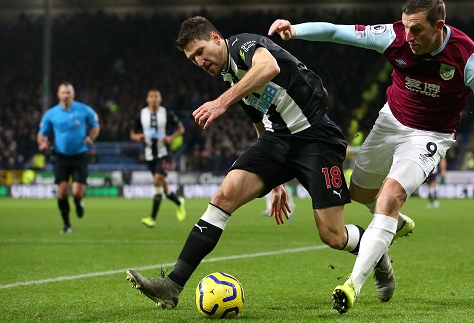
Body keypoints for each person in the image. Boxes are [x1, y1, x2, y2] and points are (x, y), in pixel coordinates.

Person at [269, 0, 474, 314]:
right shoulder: (394, 36)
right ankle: (391, 230)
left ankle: (352, 285)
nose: (409, 36)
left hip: (430, 135)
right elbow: (335, 31)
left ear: (439, 26)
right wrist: (295, 29)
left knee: (388, 198)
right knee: (358, 192)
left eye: (417, 30)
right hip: (390, 120)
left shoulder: (468, 59)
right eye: (405, 27)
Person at [125, 16, 405, 309]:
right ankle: (173, 284)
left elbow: (269, 66)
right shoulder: (230, 75)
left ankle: (377, 251)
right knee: (223, 196)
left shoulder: (243, 46)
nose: (198, 61)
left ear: (216, 38)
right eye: (191, 59)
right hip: (276, 141)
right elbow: (258, 119)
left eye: (199, 52)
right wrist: (276, 182)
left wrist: (220, 103)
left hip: (316, 141)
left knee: (333, 236)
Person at [37, 82, 100, 234]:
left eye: (69, 93)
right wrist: (43, 144)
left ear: (73, 94)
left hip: (80, 155)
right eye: (63, 93)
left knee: (77, 192)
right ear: (58, 95)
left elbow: (95, 126)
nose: (66, 95)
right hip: (60, 156)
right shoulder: (51, 114)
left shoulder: (84, 110)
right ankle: (67, 225)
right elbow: (41, 134)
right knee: (62, 192)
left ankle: (78, 202)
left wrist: (91, 138)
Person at [130, 89, 187, 228]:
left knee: (157, 182)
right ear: (147, 99)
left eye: (156, 96)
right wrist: (138, 137)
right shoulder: (141, 115)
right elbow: (132, 133)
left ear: (160, 99)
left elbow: (181, 129)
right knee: (164, 188)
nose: (154, 99)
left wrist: (170, 138)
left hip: (165, 154)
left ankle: (152, 218)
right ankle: (179, 202)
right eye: (151, 96)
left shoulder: (166, 113)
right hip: (149, 156)